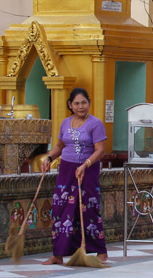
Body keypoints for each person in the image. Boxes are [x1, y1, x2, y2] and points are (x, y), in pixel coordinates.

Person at [40, 88, 108, 264]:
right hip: (67, 170)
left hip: (88, 169)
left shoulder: (95, 124)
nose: (81, 106)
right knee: (61, 209)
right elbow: (60, 145)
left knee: (88, 209)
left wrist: (86, 164)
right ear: (70, 105)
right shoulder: (65, 123)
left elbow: (100, 149)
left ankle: (100, 252)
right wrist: (48, 158)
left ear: (89, 102)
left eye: (84, 102)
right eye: (76, 103)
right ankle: (58, 254)